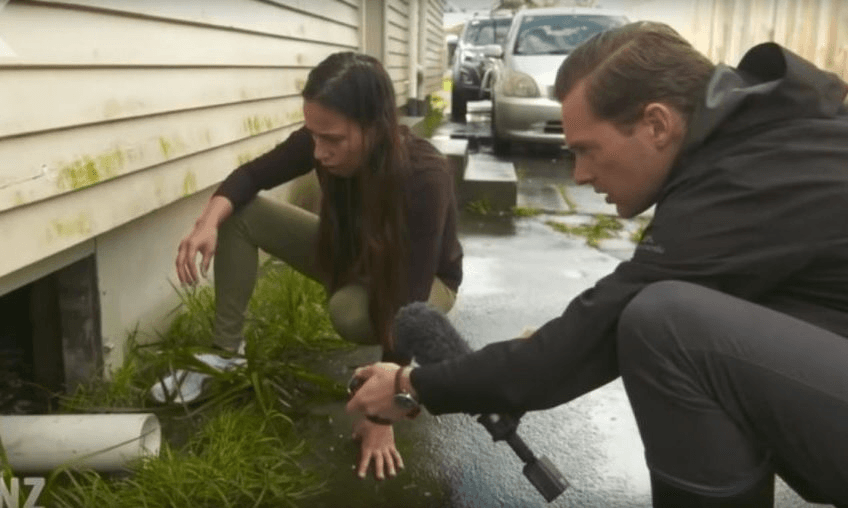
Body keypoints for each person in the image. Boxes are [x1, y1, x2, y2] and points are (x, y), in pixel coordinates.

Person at [346, 22, 848, 507]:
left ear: (656, 123)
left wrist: (411, 386)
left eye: (587, 151)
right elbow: (589, 329)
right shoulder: (763, 144)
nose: (580, 174)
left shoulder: (750, 175)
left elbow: (589, 336)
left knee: (664, 323)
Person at [173, 52, 463, 481]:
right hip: (351, 257)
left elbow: (409, 300)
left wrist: (386, 412)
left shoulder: (424, 177)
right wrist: (206, 222)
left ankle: (393, 365)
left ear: (376, 127)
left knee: (348, 312)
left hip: (421, 282)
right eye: (313, 135)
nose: (319, 152)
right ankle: (225, 356)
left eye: (333, 139)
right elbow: (252, 175)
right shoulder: (320, 142)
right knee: (241, 214)